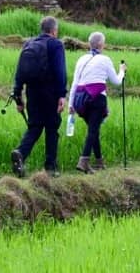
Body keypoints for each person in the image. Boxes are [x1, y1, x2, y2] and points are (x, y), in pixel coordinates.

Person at [11, 16, 67, 177]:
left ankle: (20, 153)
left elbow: (19, 73)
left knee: (34, 127)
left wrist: (18, 96)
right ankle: (51, 167)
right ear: (54, 30)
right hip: (50, 92)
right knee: (52, 128)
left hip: (32, 92)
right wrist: (62, 95)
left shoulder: (29, 44)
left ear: (42, 29)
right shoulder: (56, 44)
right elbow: (60, 71)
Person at [68, 31, 125, 173]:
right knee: (93, 130)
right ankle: (84, 161)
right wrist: (122, 71)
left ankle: (99, 162)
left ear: (90, 44)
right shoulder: (105, 59)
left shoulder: (81, 59)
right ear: (101, 44)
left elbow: (75, 82)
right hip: (96, 98)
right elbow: (117, 81)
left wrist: (71, 104)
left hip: (80, 99)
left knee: (94, 130)